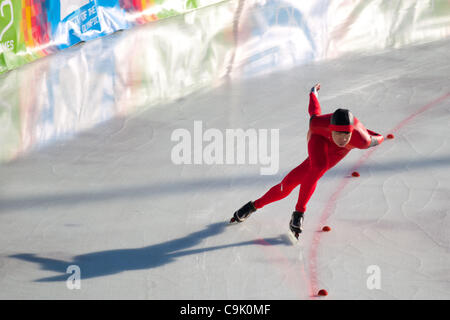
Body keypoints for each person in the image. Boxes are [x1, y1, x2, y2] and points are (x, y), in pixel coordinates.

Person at [230, 83, 384, 235]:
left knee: (287, 185)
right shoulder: (319, 125)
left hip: (339, 152)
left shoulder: (362, 140)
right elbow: (314, 111)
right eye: (339, 134)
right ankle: (293, 213)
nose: (343, 139)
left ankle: (259, 207)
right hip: (319, 139)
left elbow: (378, 138)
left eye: (347, 135)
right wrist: (313, 93)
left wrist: (370, 134)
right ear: (331, 129)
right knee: (317, 168)